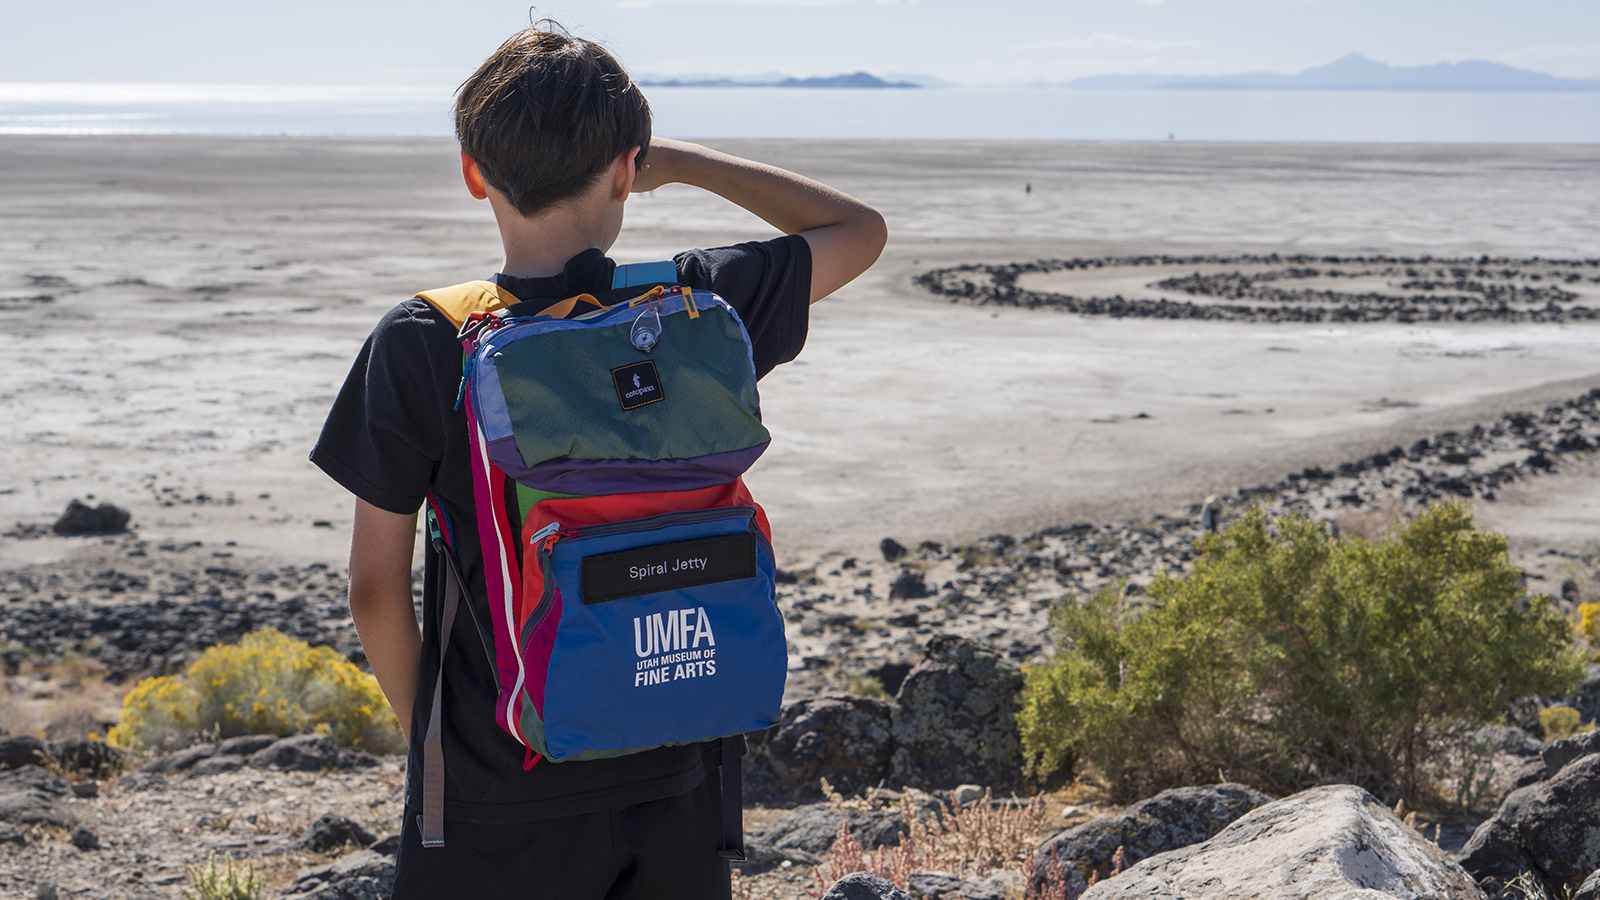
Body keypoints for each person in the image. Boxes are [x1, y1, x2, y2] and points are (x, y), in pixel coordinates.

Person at [309, 23, 885, 900]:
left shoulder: (426, 340)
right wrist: (679, 161)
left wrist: (443, 744)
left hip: (502, 788)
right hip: (678, 761)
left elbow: (374, 589)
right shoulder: (695, 309)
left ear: (473, 173)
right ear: (627, 169)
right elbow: (858, 229)